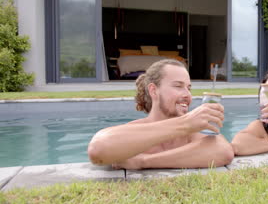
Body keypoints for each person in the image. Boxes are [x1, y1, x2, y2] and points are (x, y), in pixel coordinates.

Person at [88, 59, 234, 169]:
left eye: (189, 88)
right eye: (178, 86)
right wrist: (186, 123)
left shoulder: (192, 132)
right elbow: (98, 150)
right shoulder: (136, 130)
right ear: (153, 90)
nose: (187, 95)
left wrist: (143, 162)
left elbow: (223, 151)